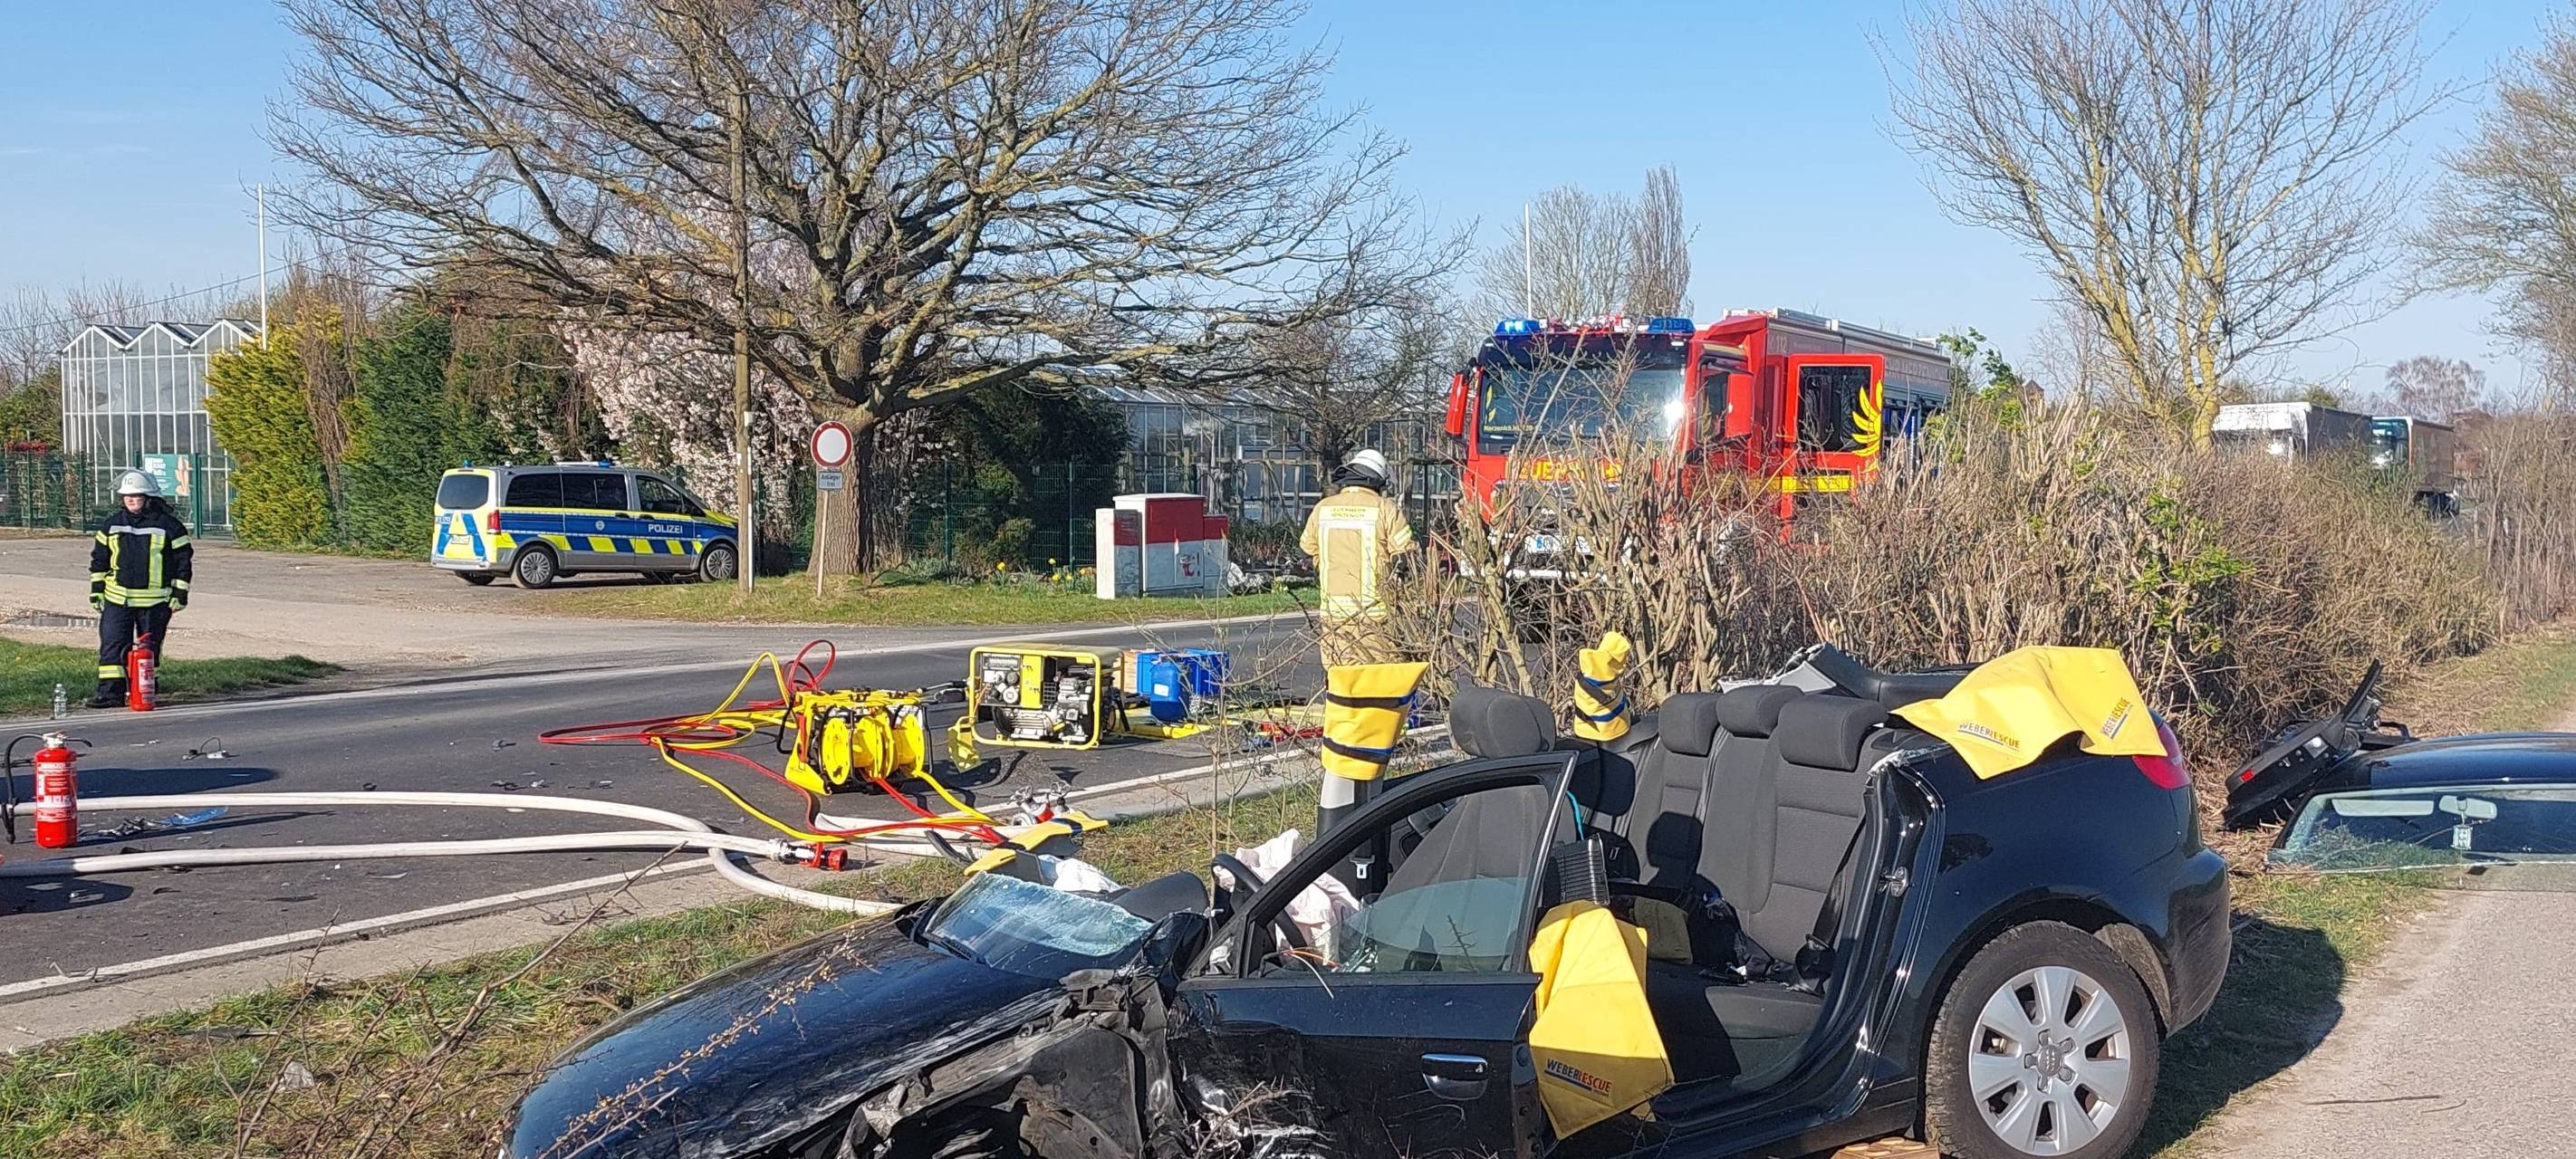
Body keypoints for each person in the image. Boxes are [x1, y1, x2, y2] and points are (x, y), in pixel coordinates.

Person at [1299, 448, 1415, 666]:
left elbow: (1306, 551)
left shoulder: (1322, 509)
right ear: (1378, 482)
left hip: (1334, 615)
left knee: (1340, 681)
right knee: (1379, 682)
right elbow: (1406, 557)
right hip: (1376, 615)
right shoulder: (1386, 510)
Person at [87, 470, 193, 708]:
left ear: (148, 497)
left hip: (155, 601)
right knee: (112, 645)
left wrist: (180, 594)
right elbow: (99, 561)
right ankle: (110, 694)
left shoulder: (170, 527)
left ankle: (144, 689)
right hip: (118, 598)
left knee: (149, 649)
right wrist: (96, 589)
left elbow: (182, 563)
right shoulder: (111, 525)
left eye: (136, 496)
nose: (131, 500)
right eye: (127, 497)